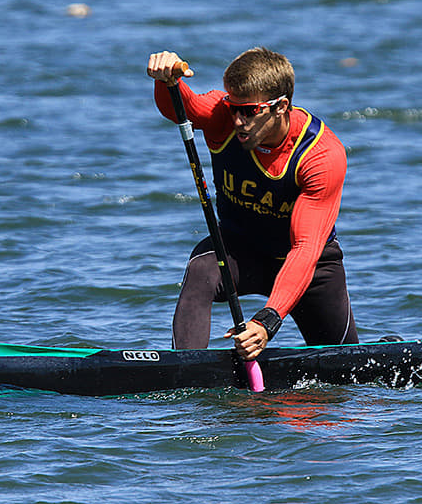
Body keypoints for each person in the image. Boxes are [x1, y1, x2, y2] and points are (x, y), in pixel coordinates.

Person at [147, 47, 358, 361]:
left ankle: (382, 345)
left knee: (344, 365)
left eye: (249, 111)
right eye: (233, 107)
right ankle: (184, 370)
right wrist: (167, 81)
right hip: (239, 250)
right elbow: (182, 107)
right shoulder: (224, 117)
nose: (238, 120)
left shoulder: (321, 156)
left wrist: (267, 321)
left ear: (281, 106)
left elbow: (305, 248)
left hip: (308, 265)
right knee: (202, 267)